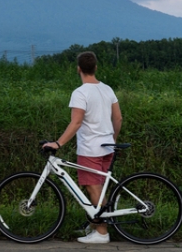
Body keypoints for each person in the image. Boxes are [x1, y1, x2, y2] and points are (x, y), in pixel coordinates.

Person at [42, 51, 122, 244]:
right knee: (99, 189)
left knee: (93, 188)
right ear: (95, 67)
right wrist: (113, 138)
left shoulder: (80, 93)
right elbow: (118, 118)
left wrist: (58, 143)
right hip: (107, 147)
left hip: (90, 149)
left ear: (78, 69)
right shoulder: (107, 89)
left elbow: (76, 123)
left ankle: (102, 232)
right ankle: (95, 224)